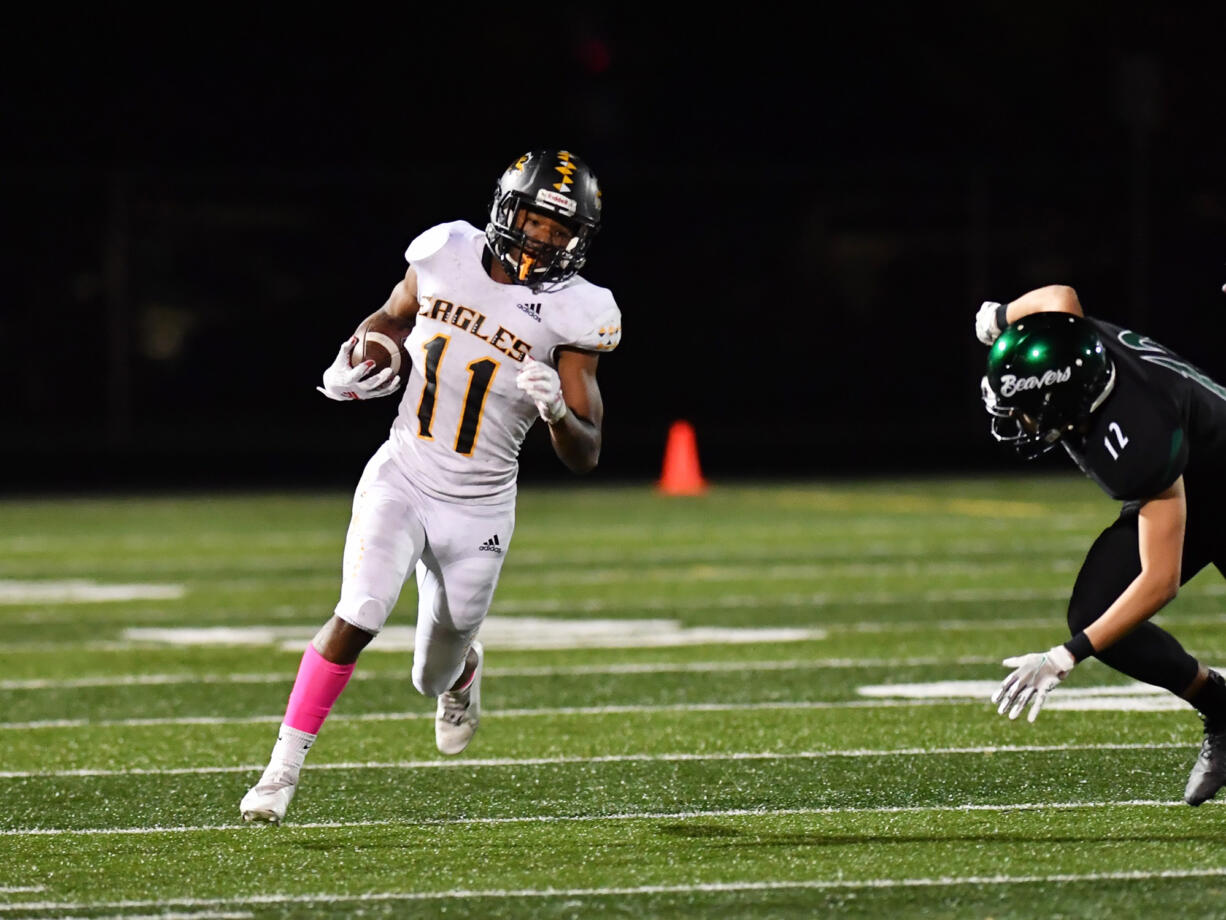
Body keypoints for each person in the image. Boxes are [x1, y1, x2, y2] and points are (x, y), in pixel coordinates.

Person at [239, 149, 621, 824]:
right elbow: (390, 318)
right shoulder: (445, 251)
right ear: (507, 210)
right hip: (405, 471)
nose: (542, 239)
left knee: (430, 676)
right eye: (534, 220)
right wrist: (354, 355)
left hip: (479, 510)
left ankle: (464, 673)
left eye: (560, 231)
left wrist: (559, 414)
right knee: (359, 609)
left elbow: (585, 453)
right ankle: (280, 769)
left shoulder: (580, 311)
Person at [974, 285, 1226, 806]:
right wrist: (1002, 315)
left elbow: (1160, 581)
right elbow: (1060, 296)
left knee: (1100, 625)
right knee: (1097, 611)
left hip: (1207, 481)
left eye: (1025, 410)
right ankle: (1223, 709)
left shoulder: (1140, 437)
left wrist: (1068, 656)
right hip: (1188, 476)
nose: (1018, 422)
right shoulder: (1074, 342)